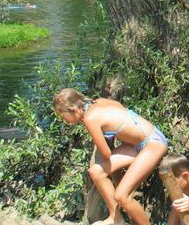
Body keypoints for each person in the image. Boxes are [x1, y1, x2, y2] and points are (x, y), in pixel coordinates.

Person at [53, 88, 168, 225]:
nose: (64, 120)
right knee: (96, 171)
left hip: (152, 143)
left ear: (73, 109)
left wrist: (116, 173)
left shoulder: (90, 118)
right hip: (136, 144)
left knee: (122, 196)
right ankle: (116, 218)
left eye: (62, 115)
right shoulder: (98, 102)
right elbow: (119, 109)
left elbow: (106, 153)